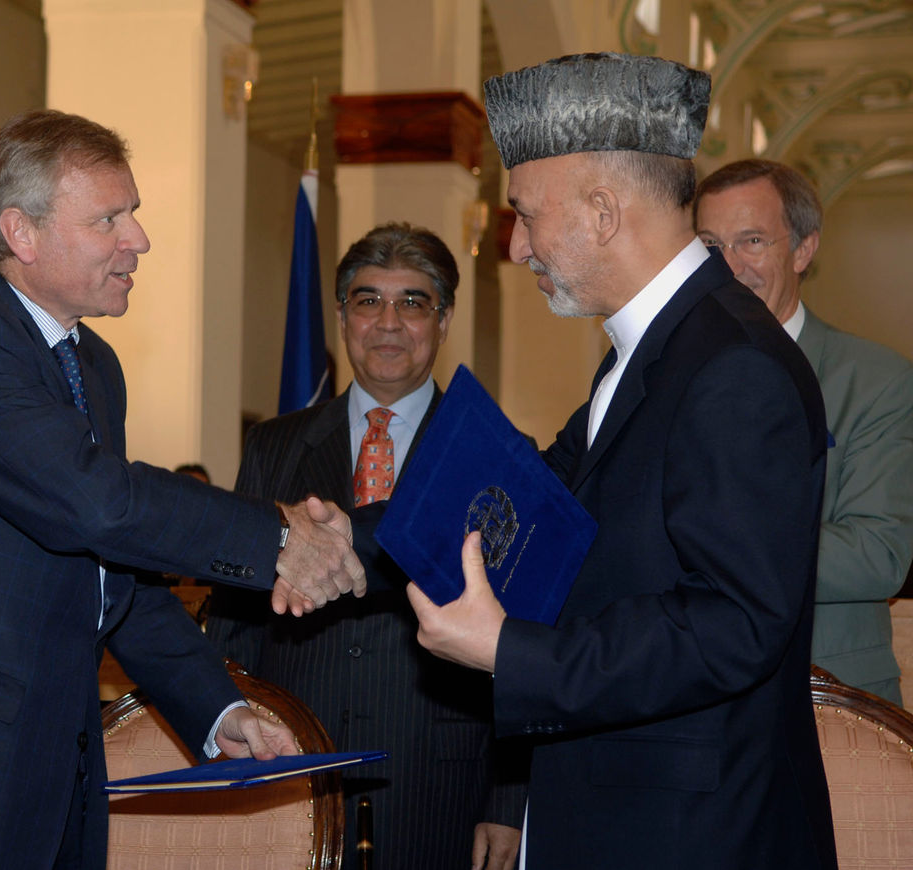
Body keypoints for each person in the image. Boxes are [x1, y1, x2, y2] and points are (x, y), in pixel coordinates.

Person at [0, 109, 366, 870]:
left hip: (51, 777)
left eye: (132, 213)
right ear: (22, 233)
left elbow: (113, 576)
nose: (139, 239)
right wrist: (276, 536)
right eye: (110, 218)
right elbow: (94, 500)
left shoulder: (93, 366)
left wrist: (216, 706)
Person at [406, 53, 837, 869]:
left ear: (603, 211)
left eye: (528, 215)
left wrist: (512, 653)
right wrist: (337, 542)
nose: (519, 245)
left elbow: (735, 622)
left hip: (693, 836)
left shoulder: (732, 365)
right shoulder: (652, 351)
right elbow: (535, 494)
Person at [208, 222, 523, 870]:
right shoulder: (274, 445)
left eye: (412, 302)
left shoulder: (490, 452)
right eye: (367, 299)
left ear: (444, 318)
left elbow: (524, 632)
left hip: (440, 779)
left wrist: (509, 795)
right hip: (291, 765)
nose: (388, 322)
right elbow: (235, 616)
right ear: (341, 315)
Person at [694, 159, 913, 704]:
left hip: (832, 698)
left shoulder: (875, 381)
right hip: (694, 688)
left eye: (751, 241)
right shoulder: (672, 375)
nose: (727, 266)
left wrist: (714, 543)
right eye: (709, 244)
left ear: (804, 249)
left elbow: (878, 555)